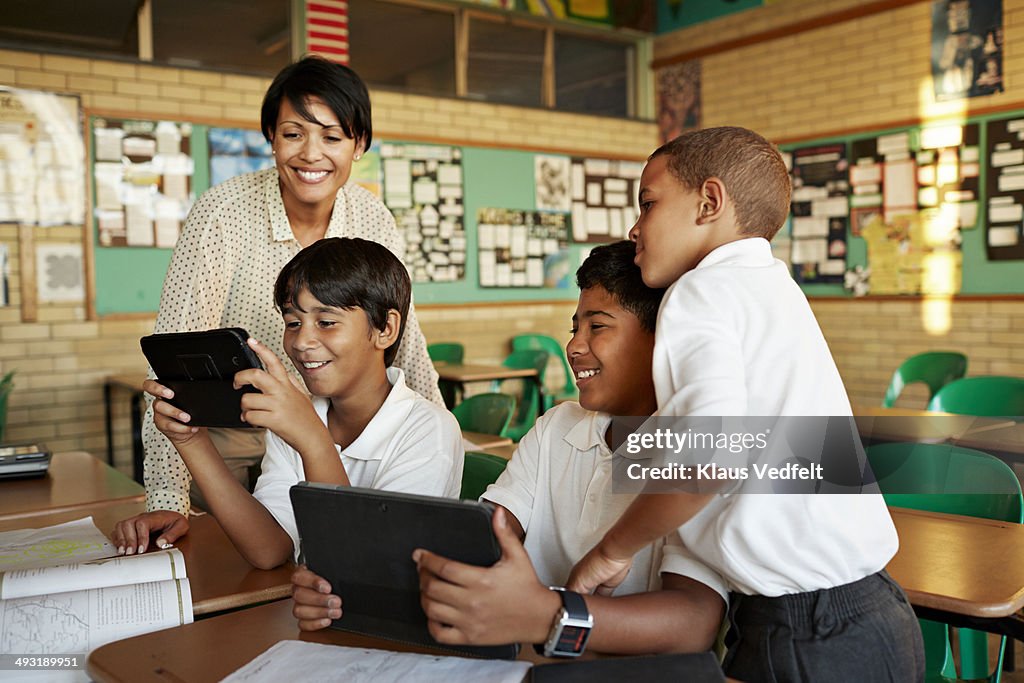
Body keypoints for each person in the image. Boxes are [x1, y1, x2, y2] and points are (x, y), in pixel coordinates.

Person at [566, 128, 924, 680]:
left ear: (709, 202)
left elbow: (706, 459)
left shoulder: (700, 291)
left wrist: (612, 551)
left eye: (648, 203)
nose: (634, 228)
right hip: (877, 614)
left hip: (802, 630)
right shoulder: (773, 286)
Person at [290, 240, 726, 654]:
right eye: (575, 327)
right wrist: (344, 589)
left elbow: (693, 624)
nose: (574, 346)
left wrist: (550, 617)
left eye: (597, 326)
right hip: (527, 659)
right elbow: (483, 542)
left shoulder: (704, 451)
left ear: (663, 339)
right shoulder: (557, 427)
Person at [121, 56, 443, 551]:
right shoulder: (223, 213)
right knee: (234, 570)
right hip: (226, 433)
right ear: (270, 136)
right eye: (294, 134)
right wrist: (167, 494)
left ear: (359, 145)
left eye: (332, 137)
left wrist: (433, 430)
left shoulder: (372, 217)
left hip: (330, 429)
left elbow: (406, 340)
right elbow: (173, 357)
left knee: (336, 556)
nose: (312, 154)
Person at [113, 238, 462, 568]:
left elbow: (360, 564)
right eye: (293, 322)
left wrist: (312, 439)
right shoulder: (298, 417)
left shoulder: (429, 431)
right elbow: (269, 549)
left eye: (326, 322)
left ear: (385, 329)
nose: (302, 341)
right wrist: (193, 442)